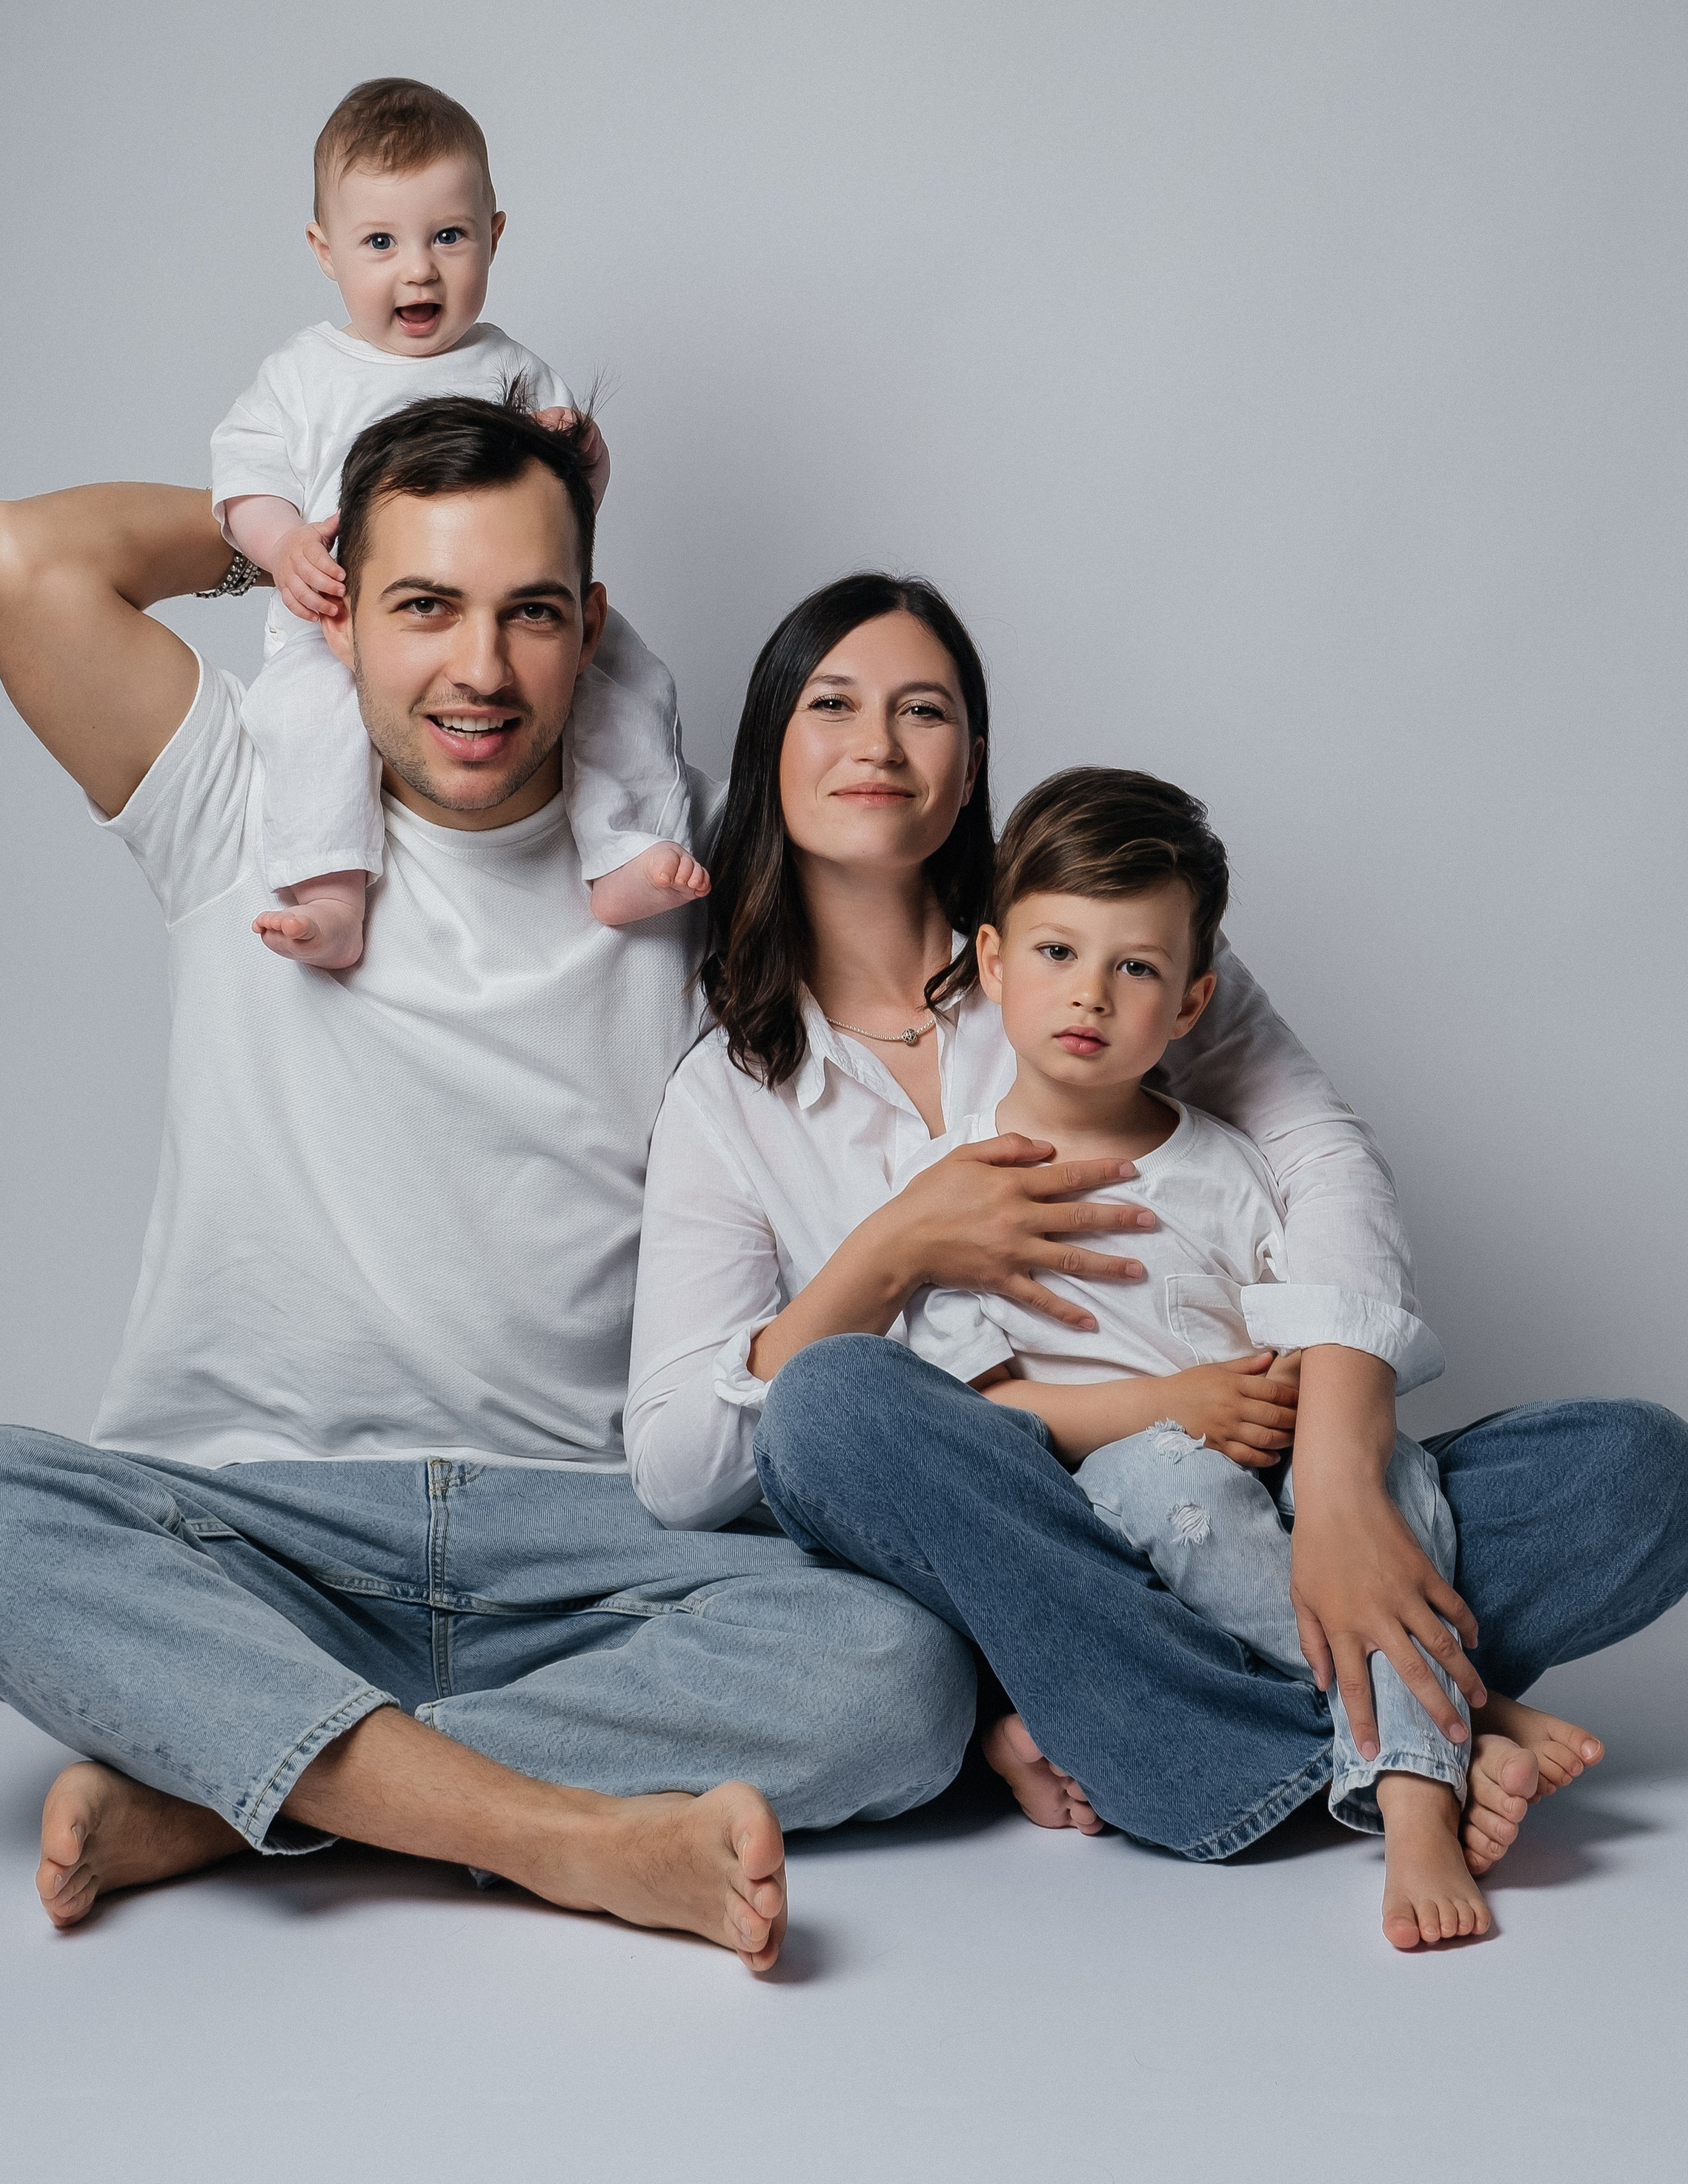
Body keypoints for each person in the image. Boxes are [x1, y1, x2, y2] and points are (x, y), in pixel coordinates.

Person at [0, 402, 976, 1973]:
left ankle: (232, 1793)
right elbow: (21, 554)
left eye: (530, 612)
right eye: (421, 605)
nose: (479, 668)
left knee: (901, 1671)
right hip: (254, 1527)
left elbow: (963, 925)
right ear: (336, 610)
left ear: (589, 628)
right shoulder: (236, 802)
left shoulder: (678, 874)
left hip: (588, 1543)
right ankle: (565, 1839)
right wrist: (282, 526)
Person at [627, 573, 1688, 1937]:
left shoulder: (1099, 940)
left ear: (976, 761)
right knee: (833, 1406)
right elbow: (682, 1468)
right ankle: (1419, 1731)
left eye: (925, 711)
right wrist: (887, 1254)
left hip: (1262, 1491)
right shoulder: (730, 1093)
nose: (878, 746)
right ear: (770, 746)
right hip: (1025, 1536)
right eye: (831, 705)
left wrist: (1344, 1483)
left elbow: (1319, 1162)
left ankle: (1171, 1723)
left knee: (1635, 1471)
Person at [892, 762, 1600, 1949]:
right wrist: (1173, 1406)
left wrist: (1309, 1430)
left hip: (1273, 1485)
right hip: (1104, 1512)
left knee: (1393, 1473)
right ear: (997, 964)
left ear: (1191, 1002)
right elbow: (989, 1408)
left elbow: (1307, 1330)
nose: (1092, 995)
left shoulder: (1228, 1163)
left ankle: (1414, 1776)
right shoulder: (956, 1187)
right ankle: (1444, 1743)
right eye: (1059, 955)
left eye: (1137, 969)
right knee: (1172, 1482)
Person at [213, 76, 706, 967]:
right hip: (344, 624)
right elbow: (243, 476)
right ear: (325, 252)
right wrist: (280, 543)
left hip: (506, 608)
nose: (418, 268)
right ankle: (330, 895)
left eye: (448, 236)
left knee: (628, 684)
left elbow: (569, 508)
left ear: (493, 235)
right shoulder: (304, 375)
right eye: (379, 242)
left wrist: (580, 450)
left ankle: (622, 848)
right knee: (307, 729)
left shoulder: (510, 367)